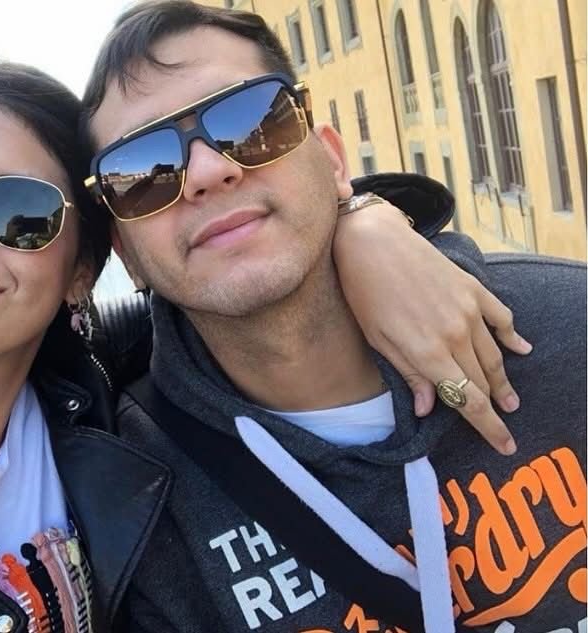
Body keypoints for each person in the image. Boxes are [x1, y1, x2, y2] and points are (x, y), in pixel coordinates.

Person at [0, 53, 534, 633]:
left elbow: (249, 271)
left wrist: (362, 221)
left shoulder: (95, 388)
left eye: (19, 211)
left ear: (84, 267)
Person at [80, 2, 587, 632]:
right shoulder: (141, 506)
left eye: (249, 118)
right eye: (141, 171)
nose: (208, 171)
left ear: (334, 161)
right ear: (125, 253)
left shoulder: (569, 326)